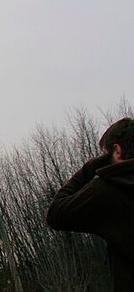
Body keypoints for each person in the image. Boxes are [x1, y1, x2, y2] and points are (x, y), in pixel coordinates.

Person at [46, 117, 134, 290]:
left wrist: (89, 169)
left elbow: (55, 214)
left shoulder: (106, 190)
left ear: (117, 150)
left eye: (105, 154)